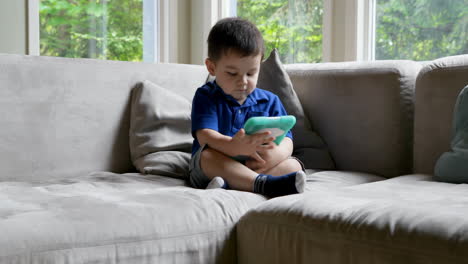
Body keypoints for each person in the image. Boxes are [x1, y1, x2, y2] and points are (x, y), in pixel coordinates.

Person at [189, 17, 305, 198]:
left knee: (294, 165)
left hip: (255, 164)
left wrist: (275, 156)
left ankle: (240, 183)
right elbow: (205, 136)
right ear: (212, 67)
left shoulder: (270, 100)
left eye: (251, 73)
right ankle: (260, 184)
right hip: (218, 164)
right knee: (207, 157)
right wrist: (232, 147)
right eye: (232, 73)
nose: (242, 82)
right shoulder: (206, 96)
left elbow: (287, 139)